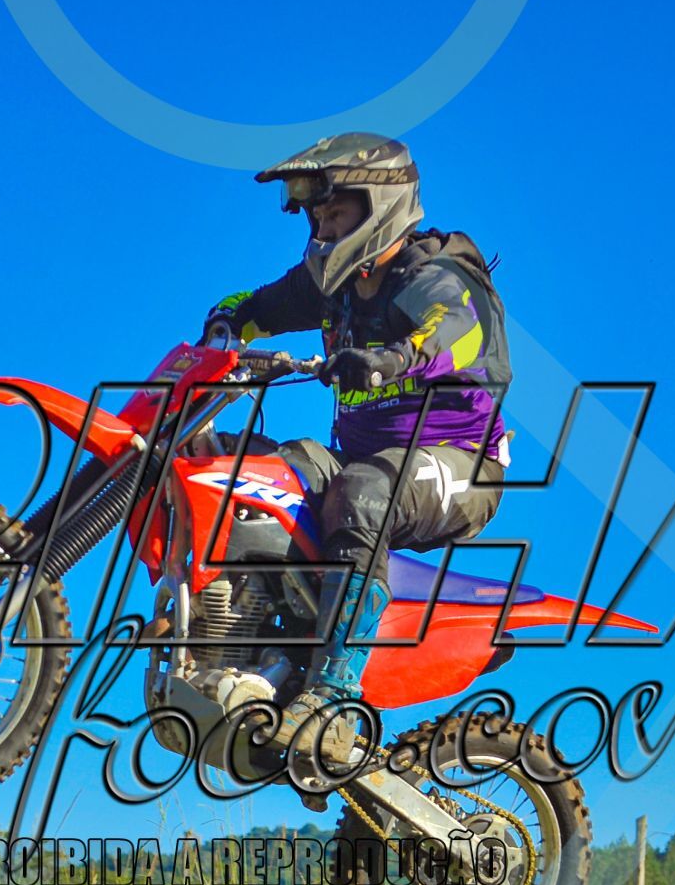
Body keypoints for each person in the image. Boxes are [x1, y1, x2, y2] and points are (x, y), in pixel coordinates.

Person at [203, 132, 512, 745]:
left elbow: (459, 329)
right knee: (252, 472)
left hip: (461, 466)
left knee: (362, 492)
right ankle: (252, 645)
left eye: (335, 214)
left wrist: (392, 359)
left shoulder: (432, 275)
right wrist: (225, 327)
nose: (322, 230)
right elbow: (253, 304)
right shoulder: (332, 287)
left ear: (379, 206)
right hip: (363, 460)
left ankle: (335, 697)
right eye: (316, 217)